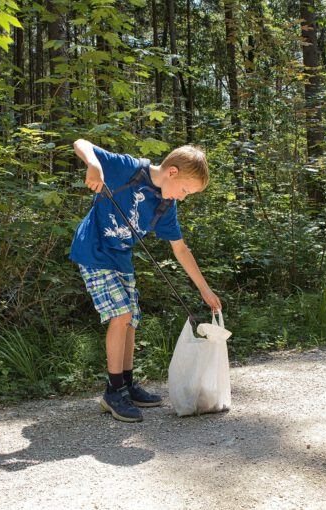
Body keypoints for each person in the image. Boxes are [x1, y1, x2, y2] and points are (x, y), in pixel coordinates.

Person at [69, 139, 222, 423]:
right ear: (172, 172)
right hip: (93, 250)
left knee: (131, 319)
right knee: (121, 313)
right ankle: (113, 391)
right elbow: (81, 143)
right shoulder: (128, 169)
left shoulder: (165, 204)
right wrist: (93, 165)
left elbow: (180, 249)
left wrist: (204, 288)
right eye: (186, 190)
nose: (184, 197)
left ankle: (126, 384)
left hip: (121, 257)